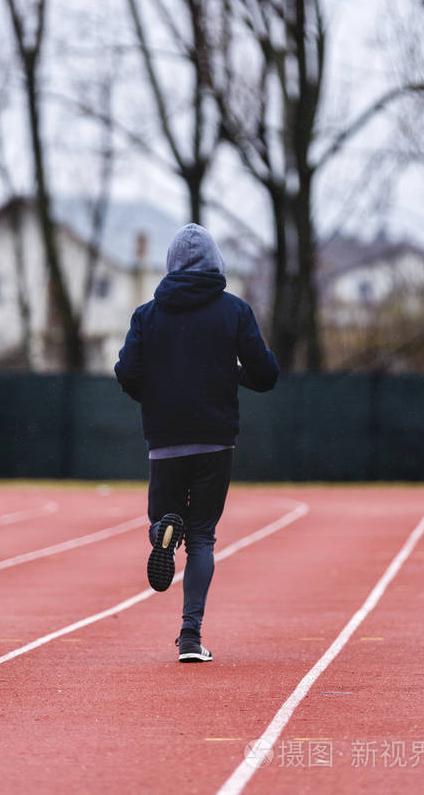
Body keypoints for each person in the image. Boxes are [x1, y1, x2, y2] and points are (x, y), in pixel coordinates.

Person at [114, 223, 279, 663]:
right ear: (216, 264)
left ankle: (161, 529)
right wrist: (234, 374)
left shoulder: (147, 315)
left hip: (166, 438)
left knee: (165, 519)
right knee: (202, 537)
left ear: (170, 264)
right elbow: (265, 374)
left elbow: (127, 372)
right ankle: (190, 636)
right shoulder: (235, 311)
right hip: (215, 439)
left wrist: (155, 393)